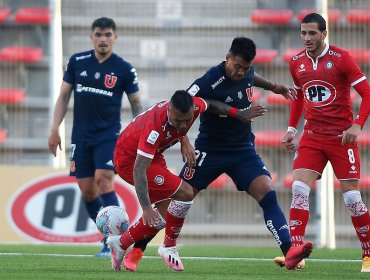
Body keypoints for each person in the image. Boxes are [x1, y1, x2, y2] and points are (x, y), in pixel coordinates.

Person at [122, 37, 314, 272]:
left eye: (246, 67)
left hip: (242, 150)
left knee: (267, 192)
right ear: (228, 58)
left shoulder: (246, 72)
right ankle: (138, 249)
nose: (241, 72)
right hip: (208, 150)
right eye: (237, 66)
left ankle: (290, 252)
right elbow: (182, 106)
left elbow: (253, 77)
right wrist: (184, 140)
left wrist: (274, 87)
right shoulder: (209, 79)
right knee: (176, 198)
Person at [107, 90, 266, 272]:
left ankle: (121, 243)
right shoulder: (154, 127)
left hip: (153, 155)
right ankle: (168, 246)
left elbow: (211, 104)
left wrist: (237, 114)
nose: (183, 125)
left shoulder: (194, 106)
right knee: (186, 193)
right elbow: (139, 169)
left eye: (187, 120)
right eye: (178, 121)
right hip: (129, 160)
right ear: (169, 112)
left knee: (167, 211)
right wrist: (145, 208)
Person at [273, 13, 370, 273]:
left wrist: (357, 124)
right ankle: (295, 251)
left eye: (312, 33)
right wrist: (292, 129)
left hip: (341, 137)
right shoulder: (296, 62)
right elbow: (298, 97)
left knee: (352, 198)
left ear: (324, 34)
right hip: (313, 136)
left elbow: (367, 92)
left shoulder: (342, 59)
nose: (306, 38)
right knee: (299, 189)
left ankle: (368, 254)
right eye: (303, 33)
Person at [48, 17, 144, 258]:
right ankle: (107, 237)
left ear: (115, 37)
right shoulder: (77, 62)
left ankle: (120, 238)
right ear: (91, 37)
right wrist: (54, 129)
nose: (103, 39)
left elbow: (136, 105)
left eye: (108, 34)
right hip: (80, 137)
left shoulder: (124, 69)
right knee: (88, 191)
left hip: (109, 136)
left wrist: (140, 135)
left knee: (104, 180)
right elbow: (62, 97)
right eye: (99, 34)